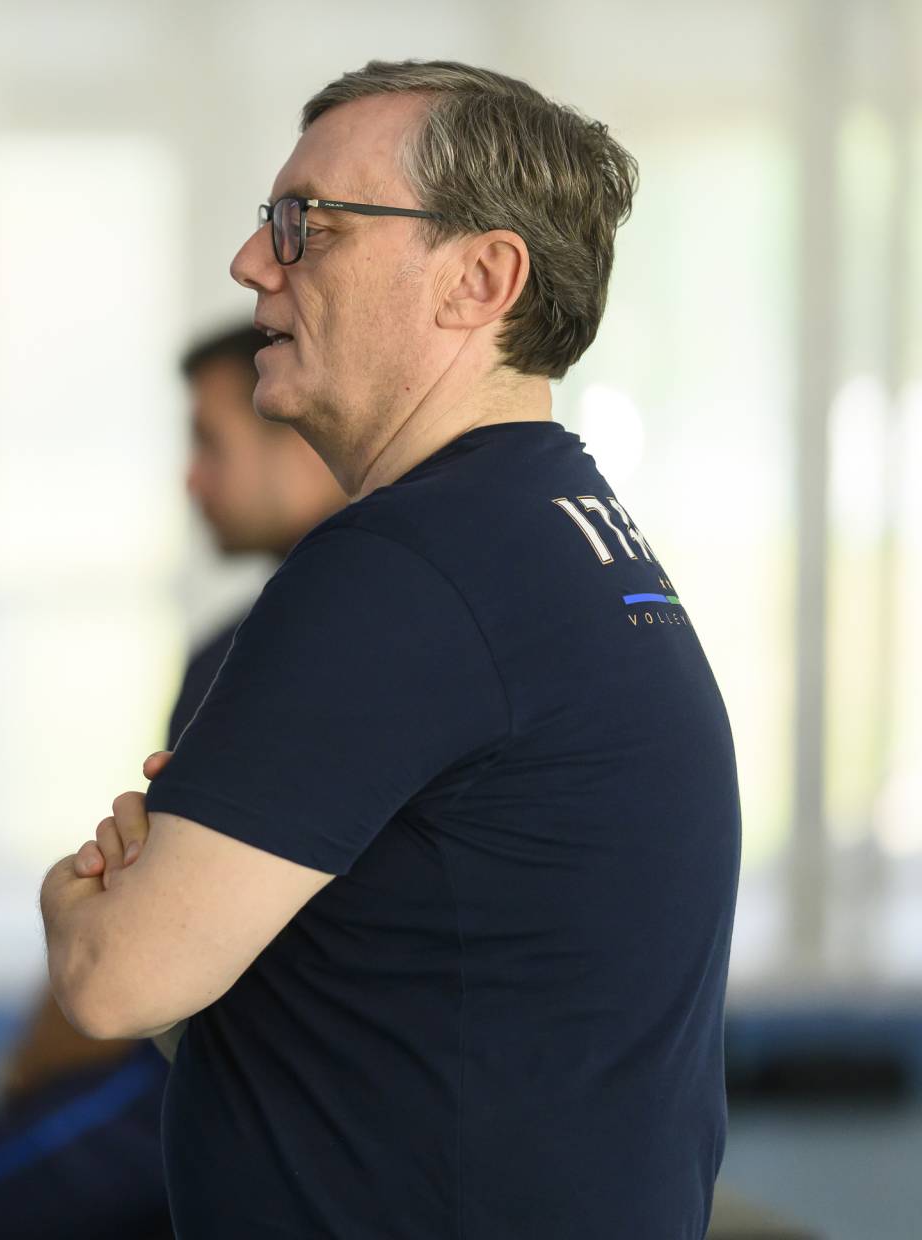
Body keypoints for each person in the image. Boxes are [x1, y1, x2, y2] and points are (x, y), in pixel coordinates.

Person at [43, 60, 739, 1239]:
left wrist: (80, 899)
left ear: (479, 279)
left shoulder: (403, 567)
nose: (253, 261)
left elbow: (119, 979)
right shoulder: (566, 528)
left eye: (307, 225)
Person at [0, 324, 347, 1240]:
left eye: (210, 443)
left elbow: (144, 955)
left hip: (249, 1093)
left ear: (297, 437)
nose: (191, 480)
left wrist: (21, 1078)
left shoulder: (260, 660)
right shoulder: (363, 632)